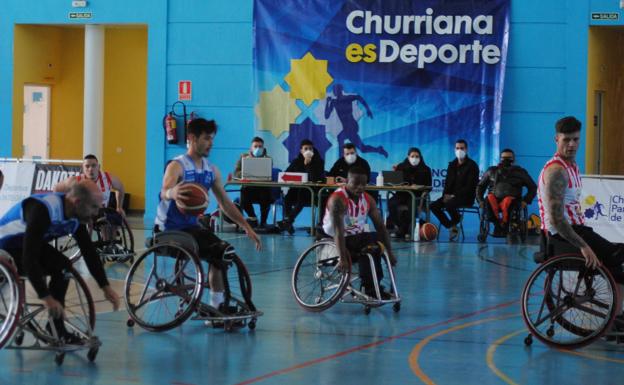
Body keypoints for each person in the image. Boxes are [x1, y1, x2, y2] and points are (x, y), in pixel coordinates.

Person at [155, 118, 262, 311]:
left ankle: (217, 304)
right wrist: (172, 193)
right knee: (218, 251)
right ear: (192, 138)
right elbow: (163, 191)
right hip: (168, 230)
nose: (211, 143)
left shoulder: (211, 170)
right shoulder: (177, 166)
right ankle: (217, 306)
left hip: (191, 228)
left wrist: (246, 226)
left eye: (212, 138)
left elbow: (225, 203)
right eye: (206, 138)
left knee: (223, 251)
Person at [0, 180, 120, 343]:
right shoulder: (43, 209)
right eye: (94, 207)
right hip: (5, 249)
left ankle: (57, 329)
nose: (96, 213)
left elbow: (89, 252)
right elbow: (29, 259)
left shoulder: (76, 216)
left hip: (26, 245)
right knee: (47, 264)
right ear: (77, 202)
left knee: (64, 266)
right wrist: (47, 297)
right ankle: (54, 314)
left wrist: (105, 286)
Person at [538, 116, 624, 280]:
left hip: (577, 229)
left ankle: (617, 305)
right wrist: (583, 246)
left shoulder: (572, 166)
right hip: (560, 235)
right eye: (566, 140)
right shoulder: (557, 171)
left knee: (617, 258)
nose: (571, 144)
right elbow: (556, 220)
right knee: (617, 255)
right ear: (557, 139)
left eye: (575, 139)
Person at [322, 167, 396, 297]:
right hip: (335, 238)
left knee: (375, 242)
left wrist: (390, 252)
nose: (360, 187)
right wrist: (342, 258)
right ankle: (370, 288)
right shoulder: (338, 200)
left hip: (356, 237)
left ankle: (374, 285)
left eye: (363, 184)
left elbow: (380, 227)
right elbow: (338, 231)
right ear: (346, 181)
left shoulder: (368, 200)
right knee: (369, 243)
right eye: (356, 184)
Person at [54, 154, 127, 243]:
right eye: (87, 166)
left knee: (115, 218)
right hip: (83, 213)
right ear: (82, 168)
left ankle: (108, 242)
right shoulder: (76, 180)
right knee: (87, 220)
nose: (90, 169)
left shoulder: (108, 178)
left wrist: (119, 207)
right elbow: (56, 188)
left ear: (98, 167)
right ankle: (86, 243)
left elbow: (121, 188)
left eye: (93, 166)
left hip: (101, 212)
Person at [476, 148, 537, 236]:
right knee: (489, 198)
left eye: (509, 158)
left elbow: (532, 187)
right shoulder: (491, 171)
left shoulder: (520, 172)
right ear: (500, 159)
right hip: (494, 199)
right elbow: (480, 186)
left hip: (512, 200)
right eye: (504, 158)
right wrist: (480, 200)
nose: (506, 160)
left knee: (508, 200)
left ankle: (504, 225)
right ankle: (497, 224)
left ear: (514, 159)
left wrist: (526, 200)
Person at [430, 139, 479, 241]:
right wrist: (445, 196)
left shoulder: (472, 166)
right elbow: (447, 183)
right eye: (457, 148)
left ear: (466, 149)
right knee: (433, 206)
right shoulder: (452, 165)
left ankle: (456, 218)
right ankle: (451, 226)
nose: (459, 150)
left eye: (462, 148)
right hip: (451, 197)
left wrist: (453, 196)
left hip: (466, 197)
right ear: (454, 149)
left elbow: (470, 187)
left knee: (449, 204)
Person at [325, 84, 388, 158]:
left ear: (340, 90)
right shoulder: (334, 102)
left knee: (340, 138)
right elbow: (327, 116)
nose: (335, 91)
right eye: (334, 90)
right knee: (362, 149)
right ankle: (378, 150)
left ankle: (341, 160)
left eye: (336, 89)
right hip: (346, 128)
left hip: (352, 126)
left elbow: (359, 97)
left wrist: (368, 109)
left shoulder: (347, 98)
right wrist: (327, 103)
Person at [278, 139, 325, 235]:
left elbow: (315, 178)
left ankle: (288, 221)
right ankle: (289, 223)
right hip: (296, 189)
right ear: (301, 151)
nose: (308, 151)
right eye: (306, 149)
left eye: (310, 149)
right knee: (287, 198)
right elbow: (287, 173)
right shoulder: (296, 161)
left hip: (312, 192)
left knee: (302, 195)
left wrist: (308, 165)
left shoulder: (319, 162)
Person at [387, 148, 432, 238]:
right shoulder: (401, 166)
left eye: (417, 156)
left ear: (420, 157)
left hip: (417, 196)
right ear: (408, 157)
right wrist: (395, 178)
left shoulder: (426, 169)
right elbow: (394, 183)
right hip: (402, 194)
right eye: (412, 156)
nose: (414, 158)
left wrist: (419, 187)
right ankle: (401, 226)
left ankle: (403, 230)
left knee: (412, 205)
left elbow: (429, 187)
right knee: (391, 203)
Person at [233, 137, 274, 228]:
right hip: (249, 187)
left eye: (260, 146)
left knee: (266, 197)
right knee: (243, 196)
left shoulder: (268, 159)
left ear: (263, 148)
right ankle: (253, 218)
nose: (258, 149)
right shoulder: (243, 157)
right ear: (251, 148)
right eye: (255, 146)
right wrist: (244, 172)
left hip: (263, 187)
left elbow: (268, 174)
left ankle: (263, 222)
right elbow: (236, 173)